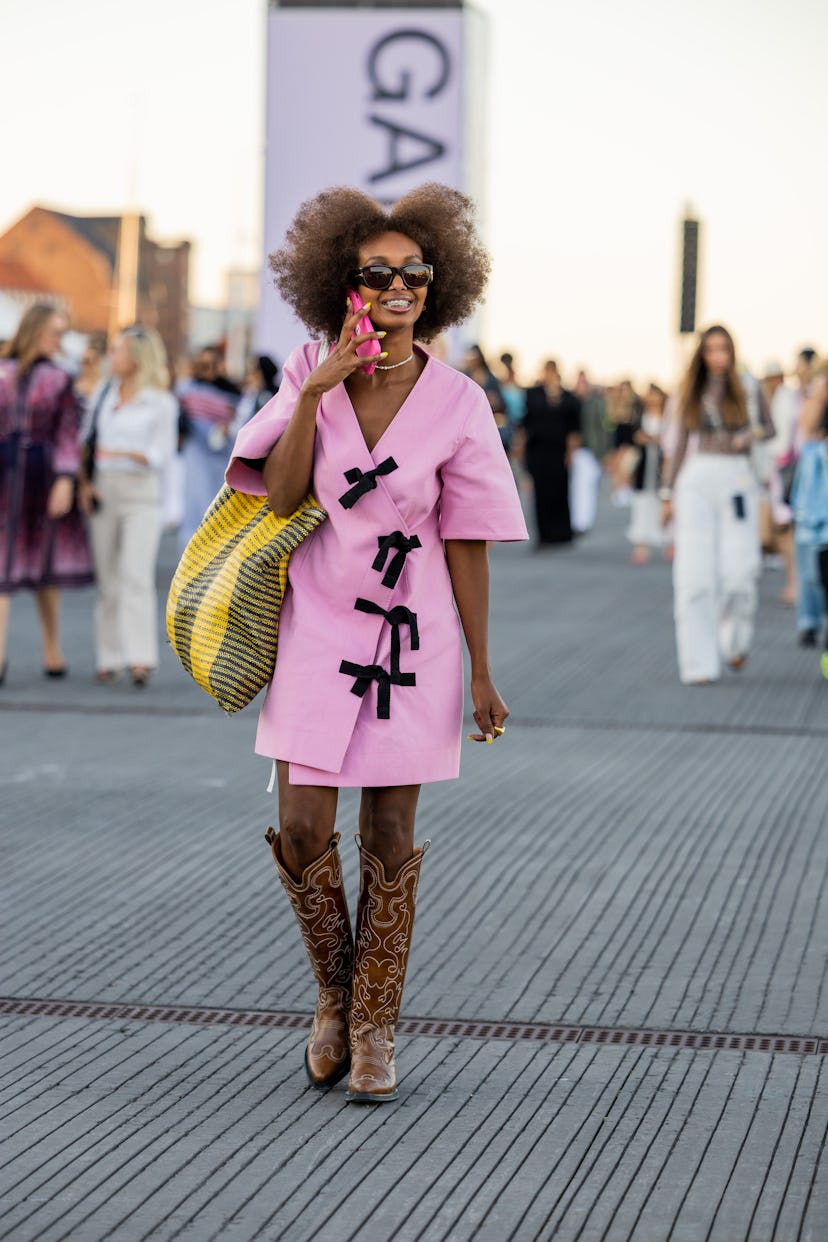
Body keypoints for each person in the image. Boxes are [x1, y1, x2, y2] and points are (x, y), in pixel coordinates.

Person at [226, 182, 527, 1103]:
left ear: (438, 286)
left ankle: (374, 1026)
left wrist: (481, 667)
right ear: (342, 283)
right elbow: (278, 498)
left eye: (416, 274)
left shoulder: (462, 403)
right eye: (378, 274)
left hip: (414, 641)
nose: (399, 287)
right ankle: (332, 995)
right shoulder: (307, 370)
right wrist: (315, 390)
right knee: (303, 824)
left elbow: (467, 542)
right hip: (317, 629)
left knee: (389, 829)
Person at [660, 325, 774, 684]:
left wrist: (747, 435)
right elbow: (677, 445)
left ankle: (734, 640)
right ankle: (698, 663)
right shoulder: (688, 391)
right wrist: (667, 493)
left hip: (738, 478)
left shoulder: (749, 387)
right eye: (711, 349)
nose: (718, 356)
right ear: (702, 354)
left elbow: (768, 429)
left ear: (732, 351)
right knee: (694, 577)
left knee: (740, 572)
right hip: (696, 479)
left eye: (723, 348)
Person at [78, 326, 178, 685]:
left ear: (136, 357)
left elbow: (161, 455)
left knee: (136, 576)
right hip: (104, 489)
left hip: (141, 493)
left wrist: (122, 453)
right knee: (108, 580)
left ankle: (140, 657)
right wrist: (85, 483)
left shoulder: (161, 401)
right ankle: (108, 656)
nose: (111, 357)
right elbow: (87, 443)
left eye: (118, 350)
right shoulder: (103, 394)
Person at [0, 304, 94, 682]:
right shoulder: (3, 371)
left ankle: (52, 646)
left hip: (44, 475)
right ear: (36, 331)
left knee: (46, 566)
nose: (61, 340)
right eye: (56, 332)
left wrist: (66, 479)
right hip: (5, 475)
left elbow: (68, 432)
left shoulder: (61, 378)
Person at [177, 345, 241, 547]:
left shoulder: (234, 395)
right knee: (194, 511)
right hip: (195, 459)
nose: (207, 369)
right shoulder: (186, 389)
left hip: (223, 463)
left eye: (212, 364)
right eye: (203, 364)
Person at [790, 361, 828, 660]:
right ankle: (811, 621)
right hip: (817, 508)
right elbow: (807, 429)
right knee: (814, 573)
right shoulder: (816, 400)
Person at [522, 360, 582, 546]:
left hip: (559, 452)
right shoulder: (533, 394)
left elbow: (574, 429)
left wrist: (571, 453)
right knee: (541, 494)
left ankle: (562, 533)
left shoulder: (569, 398)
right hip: (538, 451)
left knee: (560, 491)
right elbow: (526, 424)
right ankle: (544, 535)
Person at [628, 384, 669, 564]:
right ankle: (641, 544)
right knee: (642, 504)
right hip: (643, 468)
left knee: (663, 505)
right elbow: (634, 437)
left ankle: (668, 541)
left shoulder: (669, 418)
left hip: (662, 468)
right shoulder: (640, 416)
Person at [462, 344, 510, 450]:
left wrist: (494, 400)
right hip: (467, 422)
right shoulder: (464, 376)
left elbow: (502, 403)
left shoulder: (491, 378)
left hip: (487, 421)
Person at [235, 354, 280, 429]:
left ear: (262, 373)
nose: (250, 375)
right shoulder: (251, 394)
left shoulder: (268, 397)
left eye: (253, 371)